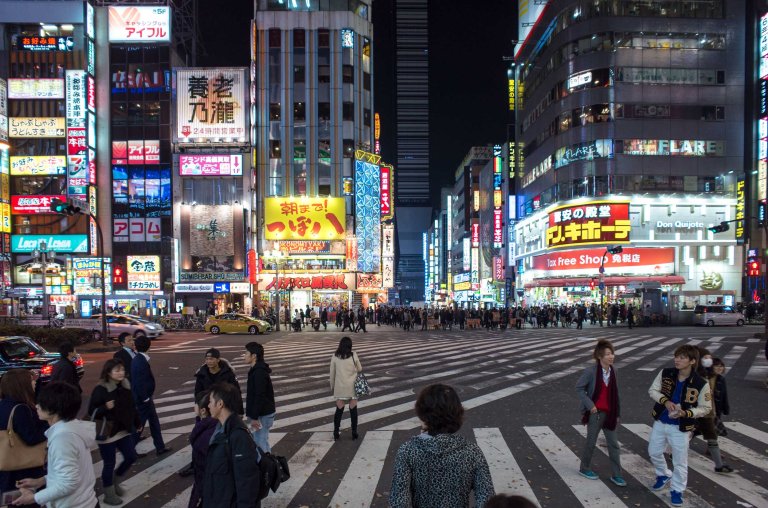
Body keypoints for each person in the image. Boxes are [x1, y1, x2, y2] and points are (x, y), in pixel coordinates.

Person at [389, 384, 494, 507]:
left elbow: (399, 501)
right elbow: (487, 499)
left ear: (422, 413)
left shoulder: (408, 451)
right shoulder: (472, 452)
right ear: (457, 413)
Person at [12, 382, 97, 507]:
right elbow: (71, 472)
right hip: (84, 501)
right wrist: (41, 481)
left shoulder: (62, 438)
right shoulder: (73, 427)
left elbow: (69, 483)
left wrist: (34, 497)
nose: (36, 406)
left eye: (41, 404)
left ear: (54, 410)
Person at [647, 344, 711, 507]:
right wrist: (665, 401)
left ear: (692, 361)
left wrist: (687, 413)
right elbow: (653, 390)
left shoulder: (700, 383)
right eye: (676, 356)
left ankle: (677, 490)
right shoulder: (666, 373)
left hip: (681, 427)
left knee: (679, 461)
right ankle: (663, 474)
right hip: (661, 421)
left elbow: (706, 407)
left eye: (682, 357)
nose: (677, 360)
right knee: (653, 451)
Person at [88, 359, 142, 505]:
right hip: (107, 432)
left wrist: (137, 422)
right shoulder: (101, 388)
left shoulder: (125, 385)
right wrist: (105, 407)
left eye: (122, 370)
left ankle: (115, 482)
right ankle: (109, 493)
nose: (120, 373)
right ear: (108, 372)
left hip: (123, 429)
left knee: (131, 456)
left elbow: (132, 406)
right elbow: (91, 412)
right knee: (109, 463)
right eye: (117, 370)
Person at [575, 339, 625, 486]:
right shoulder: (590, 371)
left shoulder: (614, 370)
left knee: (614, 444)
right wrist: (590, 405)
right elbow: (579, 388)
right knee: (591, 442)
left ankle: (617, 475)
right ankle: (584, 468)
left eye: (612, 353)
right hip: (596, 413)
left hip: (610, 413)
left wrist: (618, 414)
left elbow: (616, 394)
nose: (611, 356)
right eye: (608, 354)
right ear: (599, 356)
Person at [203, 383, 260, 508]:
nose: (208, 405)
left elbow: (247, 481)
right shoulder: (220, 429)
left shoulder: (238, 436)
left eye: (210, 401)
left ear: (220, 404)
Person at [0, 370, 47, 494]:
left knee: (13, 499)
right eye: (31, 380)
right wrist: (48, 425)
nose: (34, 382)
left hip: (7, 463)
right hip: (24, 467)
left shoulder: (4, 405)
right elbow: (31, 438)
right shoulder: (21, 409)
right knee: (27, 500)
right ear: (22, 385)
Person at [693, 348, 733, 473]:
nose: (708, 360)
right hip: (694, 412)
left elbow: (720, 395)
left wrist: (723, 409)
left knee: (712, 436)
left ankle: (719, 465)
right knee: (687, 434)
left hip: (709, 413)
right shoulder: (694, 375)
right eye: (705, 358)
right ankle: (672, 451)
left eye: (709, 358)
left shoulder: (712, 375)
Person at [131, 335, 172, 456]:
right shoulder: (140, 362)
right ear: (149, 346)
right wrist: (145, 398)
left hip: (145, 398)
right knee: (140, 426)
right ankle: (130, 450)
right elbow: (139, 383)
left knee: (154, 423)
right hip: (143, 399)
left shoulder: (138, 359)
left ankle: (160, 447)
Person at [244, 341, 276, 452]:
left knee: (260, 442)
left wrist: (254, 417)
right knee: (262, 441)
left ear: (254, 356)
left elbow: (259, 396)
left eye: (246, 353)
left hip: (262, 414)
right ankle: (270, 466)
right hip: (263, 412)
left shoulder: (259, 372)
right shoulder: (257, 370)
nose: (244, 355)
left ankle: (267, 467)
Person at [188, 391, 218, 508]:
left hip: (207, 487)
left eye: (195, 404)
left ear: (203, 410)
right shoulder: (207, 426)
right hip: (202, 483)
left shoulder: (207, 435)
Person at [330, 336, 362, 440]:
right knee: (353, 409)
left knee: (339, 410)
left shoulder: (335, 356)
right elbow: (360, 368)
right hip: (352, 387)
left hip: (340, 387)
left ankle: (336, 432)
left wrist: (332, 386)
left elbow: (332, 374)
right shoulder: (354, 355)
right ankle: (354, 432)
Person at [194, 348, 242, 415]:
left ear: (218, 360)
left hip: (224, 409)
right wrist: (198, 406)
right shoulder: (201, 374)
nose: (209, 361)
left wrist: (240, 412)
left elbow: (236, 392)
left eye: (211, 359)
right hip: (207, 410)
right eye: (207, 359)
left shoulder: (228, 373)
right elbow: (197, 392)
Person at [711, 358, 730, 436]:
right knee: (696, 429)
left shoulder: (721, 379)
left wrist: (726, 409)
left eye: (721, 366)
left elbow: (724, 395)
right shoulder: (704, 378)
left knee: (713, 429)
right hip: (703, 409)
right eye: (716, 366)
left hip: (716, 409)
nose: (720, 368)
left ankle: (712, 446)